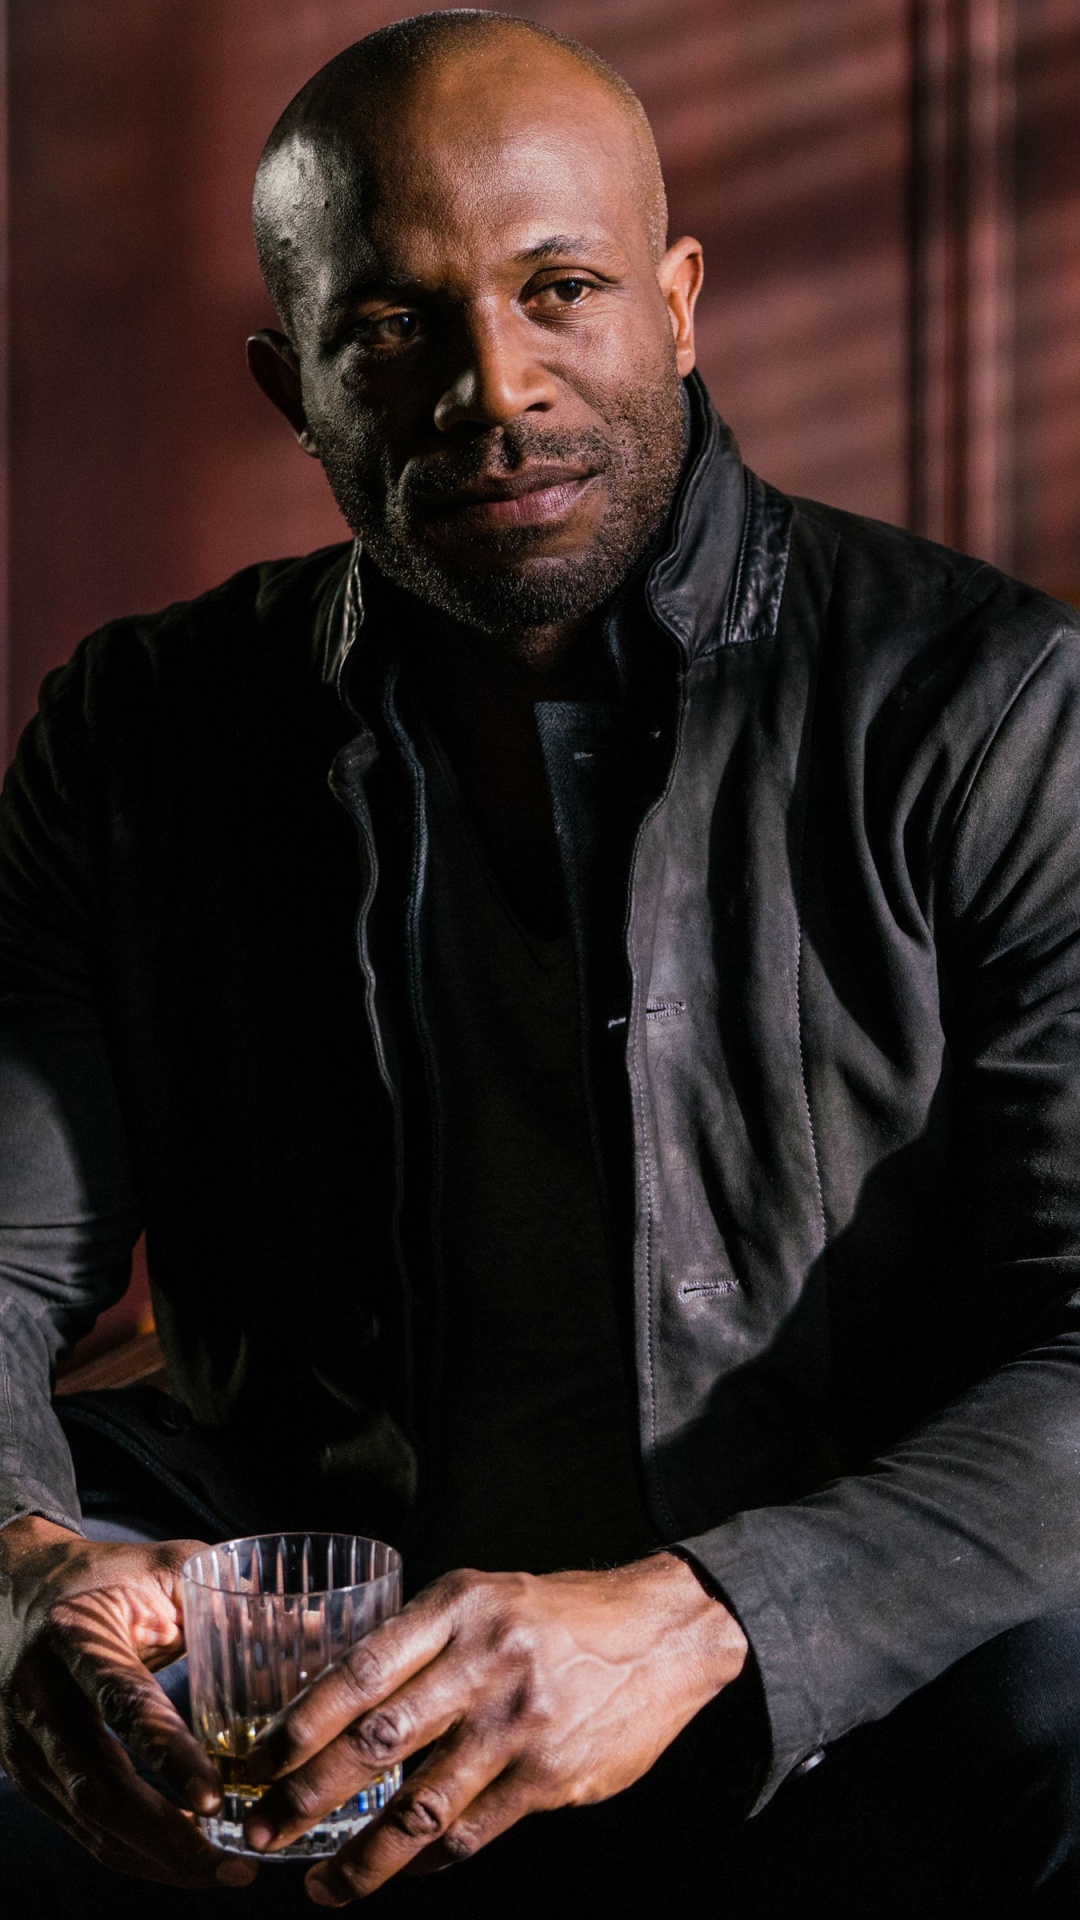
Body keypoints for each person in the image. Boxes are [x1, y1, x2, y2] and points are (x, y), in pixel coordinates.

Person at [2, 11, 1080, 1916]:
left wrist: (710, 1613)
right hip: (319, 1687)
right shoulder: (138, 737)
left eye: (560, 290)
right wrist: (20, 1577)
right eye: (389, 327)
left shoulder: (984, 707)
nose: (492, 389)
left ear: (678, 305)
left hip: (842, 1692)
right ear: (290, 382)